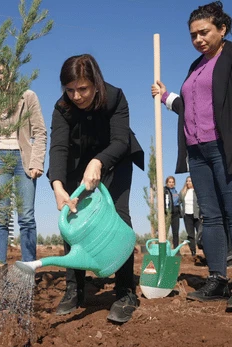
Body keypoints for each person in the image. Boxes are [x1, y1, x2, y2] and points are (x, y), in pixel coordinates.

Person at [151, 1, 232, 310]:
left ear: (222, 29)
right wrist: (167, 97)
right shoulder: (196, 67)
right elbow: (191, 107)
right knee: (212, 217)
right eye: (193, 35)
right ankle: (217, 279)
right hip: (198, 151)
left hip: (229, 146)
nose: (198, 40)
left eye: (204, 32)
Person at [48, 54, 144, 323]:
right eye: (70, 89)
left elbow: (120, 140)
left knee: (119, 217)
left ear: (95, 83)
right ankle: (74, 289)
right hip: (76, 164)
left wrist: (99, 161)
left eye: (83, 89)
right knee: (72, 219)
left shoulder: (114, 98)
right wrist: (57, 184)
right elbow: (58, 147)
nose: (76, 96)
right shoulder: (62, 108)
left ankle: (125, 292)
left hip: (116, 160)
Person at [0, 62, 47, 267]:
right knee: (0, 217)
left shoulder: (28, 96)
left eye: (2, 72)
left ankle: (28, 268)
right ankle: (0, 268)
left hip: (23, 159)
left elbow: (40, 131)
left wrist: (37, 162)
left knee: (26, 216)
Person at [180, 176, 201, 256]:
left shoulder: (197, 191)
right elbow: (177, 202)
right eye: (187, 181)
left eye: (190, 181)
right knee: (190, 235)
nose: (188, 182)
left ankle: (204, 249)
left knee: (200, 233)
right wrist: (181, 213)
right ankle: (193, 251)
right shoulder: (183, 192)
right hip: (187, 216)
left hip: (196, 215)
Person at [164, 176, 182, 247]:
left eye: (172, 182)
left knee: (175, 233)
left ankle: (176, 249)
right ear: (167, 183)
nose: (171, 183)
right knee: (165, 232)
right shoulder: (165, 191)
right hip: (168, 213)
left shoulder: (176, 191)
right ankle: (164, 249)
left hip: (176, 214)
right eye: (169, 182)